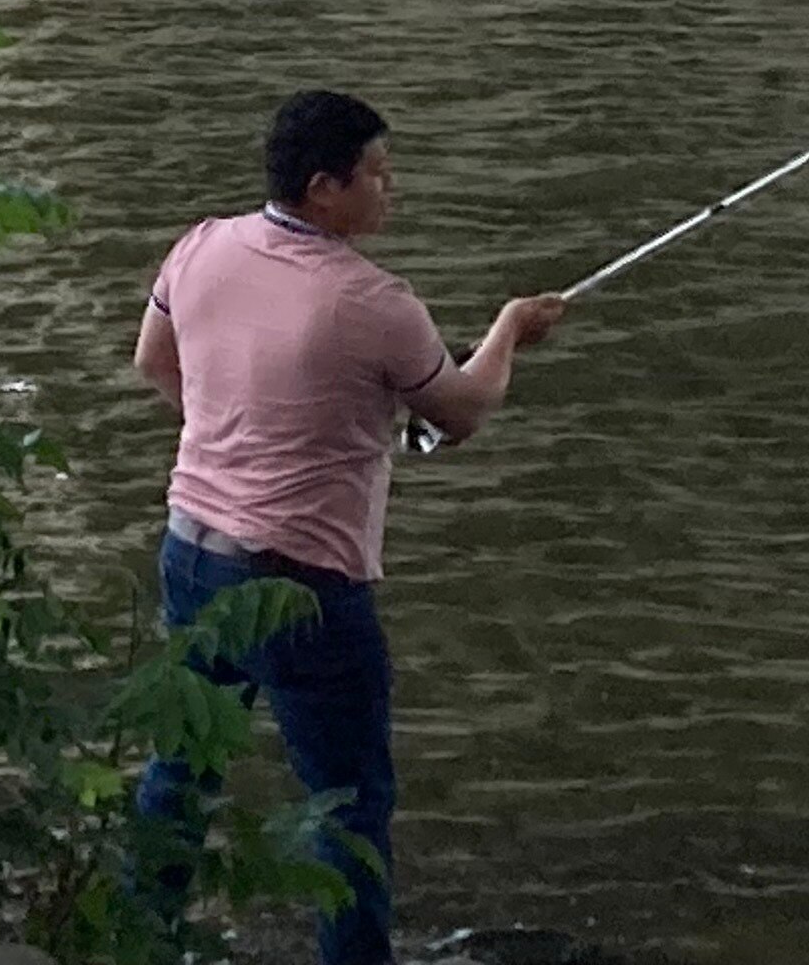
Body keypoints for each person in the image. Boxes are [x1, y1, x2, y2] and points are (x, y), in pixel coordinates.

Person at [127, 90, 566, 965]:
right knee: (349, 801)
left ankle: (136, 938)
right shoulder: (371, 301)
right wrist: (511, 331)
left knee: (180, 770)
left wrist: (236, 433)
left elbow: (153, 360)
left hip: (190, 553)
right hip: (305, 589)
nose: (390, 188)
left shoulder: (202, 244)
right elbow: (464, 408)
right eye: (376, 173)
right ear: (325, 188)